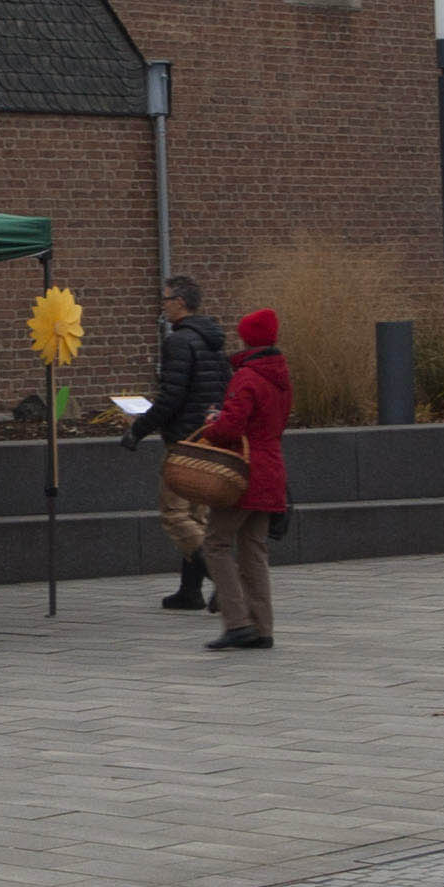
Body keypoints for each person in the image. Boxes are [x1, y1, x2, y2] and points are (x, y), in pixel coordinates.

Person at [129, 275, 231, 610]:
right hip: (209, 437)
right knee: (198, 514)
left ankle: (224, 582)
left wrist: (137, 430)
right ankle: (190, 591)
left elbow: (171, 396)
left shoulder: (179, 342)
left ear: (181, 303)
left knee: (174, 514)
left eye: (166, 299)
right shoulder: (214, 340)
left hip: (184, 441)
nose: (163, 305)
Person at [197, 307, 291, 653]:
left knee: (216, 542)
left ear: (248, 339)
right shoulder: (280, 376)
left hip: (244, 472)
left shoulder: (247, 377)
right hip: (272, 470)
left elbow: (229, 429)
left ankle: (237, 622)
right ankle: (262, 627)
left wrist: (211, 423)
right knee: (254, 548)